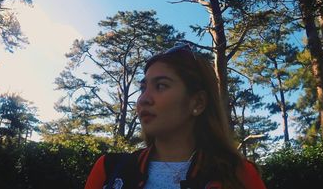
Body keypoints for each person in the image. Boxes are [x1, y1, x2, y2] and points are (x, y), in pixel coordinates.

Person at [84, 43, 267, 189]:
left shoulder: (238, 176)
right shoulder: (109, 170)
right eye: (143, 88)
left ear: (198, 103)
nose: (143, 99)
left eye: (161, 86)